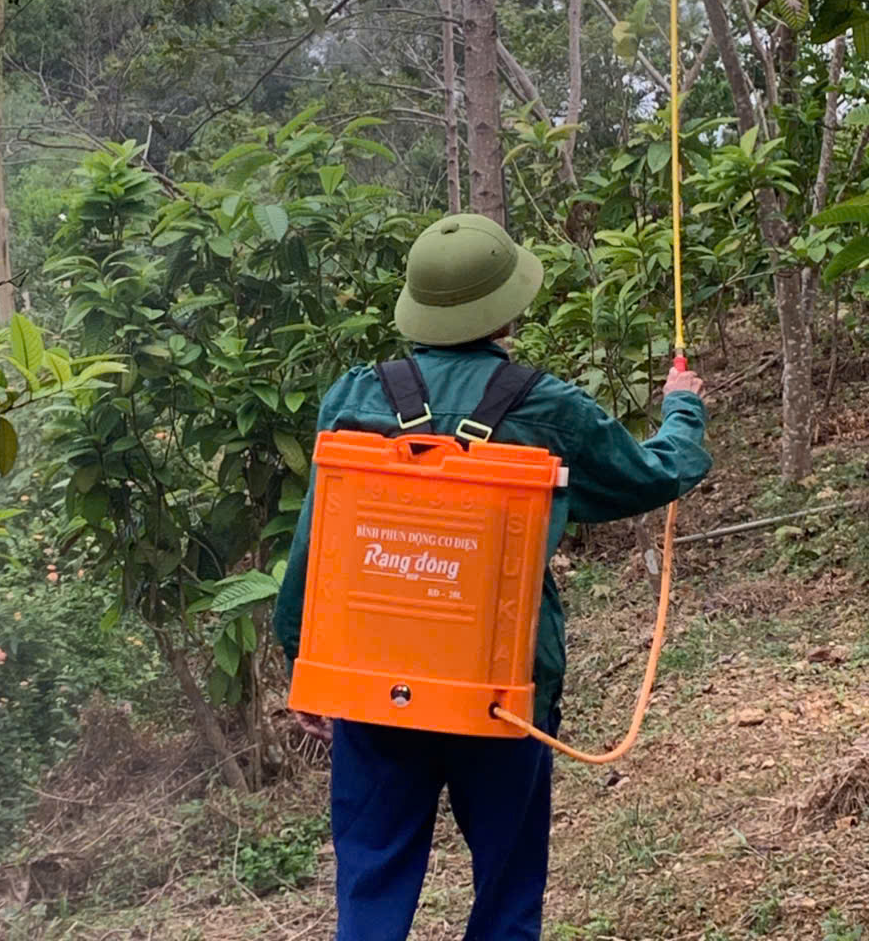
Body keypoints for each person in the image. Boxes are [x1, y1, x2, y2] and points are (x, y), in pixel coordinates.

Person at [274, 212, 711, 941]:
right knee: (507, 893)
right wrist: (683, 408)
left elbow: (317, 536)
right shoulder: (546, 406)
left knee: (371, 888)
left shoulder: (354, 398)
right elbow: (654, 473)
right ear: (507, 308)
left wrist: (304, 660)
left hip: (374, 682)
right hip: (504, 690)